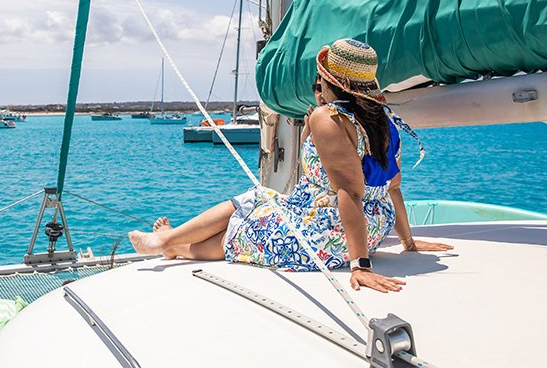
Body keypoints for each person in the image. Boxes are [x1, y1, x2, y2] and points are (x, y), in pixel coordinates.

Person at [129, 38, 453, 293]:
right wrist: (408, 243)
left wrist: (360, 266)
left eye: (319, 81)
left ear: (330, 81)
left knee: (248, 213)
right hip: (372, 229)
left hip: (331, 234)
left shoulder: (331, 118)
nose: (318, 88)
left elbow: (349, 192)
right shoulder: (384, 121)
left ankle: (168, 243)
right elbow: (393, 188)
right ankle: (171, 244)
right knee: (258, 209)